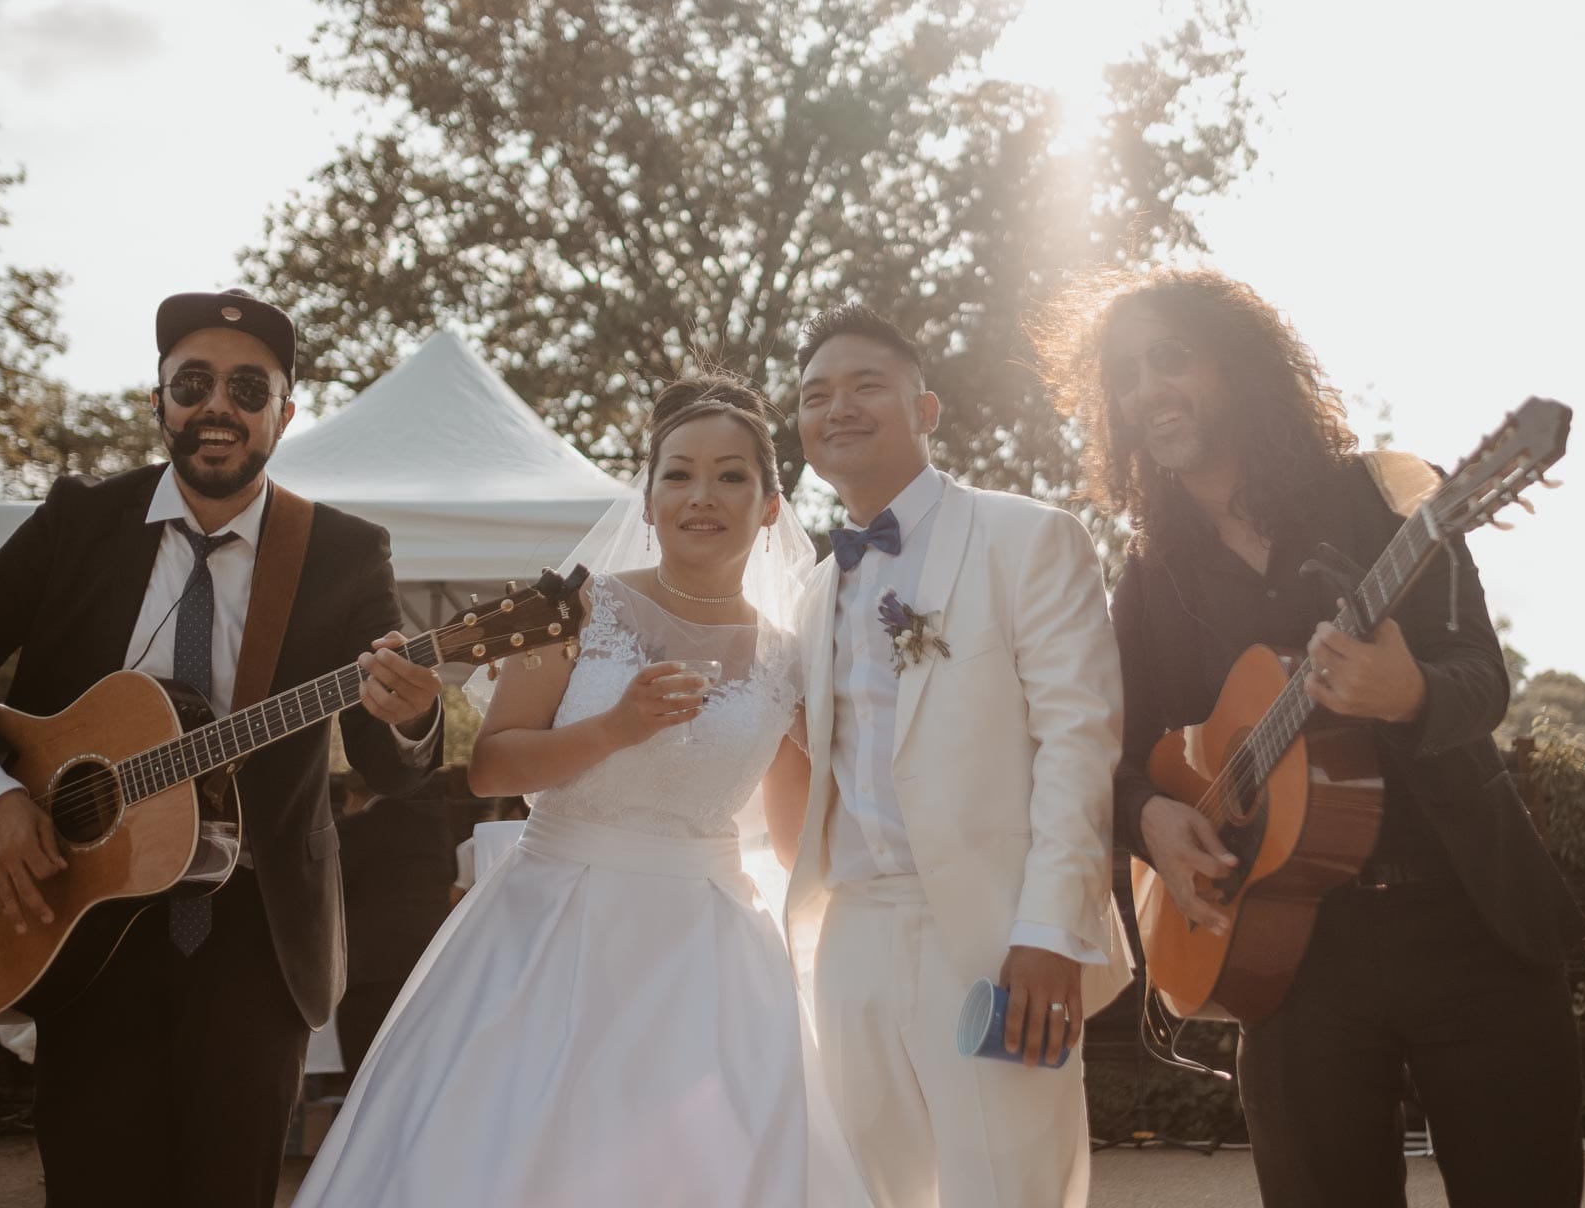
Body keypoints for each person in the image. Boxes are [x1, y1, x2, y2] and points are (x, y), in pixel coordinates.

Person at [0, 288, 443, 1208]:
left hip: (256, 939)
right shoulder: (77, 524)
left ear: (284, 415)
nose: (219, 406)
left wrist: (412, 713)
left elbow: (389, 764)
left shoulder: (340, 552)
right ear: (159, 402)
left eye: (248, 388)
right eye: (195, 382)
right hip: (85, 923)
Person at [1037, 266, 1585, 1207]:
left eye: (1171, 358)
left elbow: (1479, 680)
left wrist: (1409, 692)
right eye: (1126, 375)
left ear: (1241, 366)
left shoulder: (1384, 497)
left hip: (1469, 926)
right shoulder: (1149, 578)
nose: (1147, 391)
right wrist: (1153, 823)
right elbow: (1114, 756)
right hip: (1288, 958)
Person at [291, 372, 867, 1206]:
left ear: (772, 506)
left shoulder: (789, 657)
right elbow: (491, 766)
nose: (701, 495)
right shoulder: (572, 612)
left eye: (731, 475)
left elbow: (793, 841)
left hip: (707, 953)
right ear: (647, 498)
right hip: (551, 929)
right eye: (678, 473)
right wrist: (614, 729)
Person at [782, 303, 1133, 1207]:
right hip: (850, 933)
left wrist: (1051, 931)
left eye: (867, 386)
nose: (839, 408)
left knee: (1009, 1192)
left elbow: (1078, 739)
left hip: (990, 934)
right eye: (816, 395)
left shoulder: (1029, 538)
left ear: (926, 409)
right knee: (870, 1192)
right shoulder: (816, 589)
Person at [333, 776, 454, 1078]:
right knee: (419, 1074)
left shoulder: (354, 830)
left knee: (366, 1077)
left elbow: (333, 892)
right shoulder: (433, 829)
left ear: (352, 795)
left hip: (370, 970)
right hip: (427, 964)